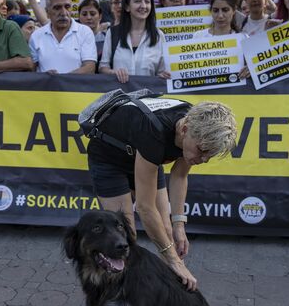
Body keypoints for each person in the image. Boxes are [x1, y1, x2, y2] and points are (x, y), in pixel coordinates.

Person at [85, 95, 237, 290]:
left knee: (166, 230)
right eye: (202, 150)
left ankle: (173, 292)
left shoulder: (195, 125)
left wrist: (179, 224)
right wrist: (175, 261)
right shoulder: (155, 133)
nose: (204, 159)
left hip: (144, 154)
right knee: (124, 235)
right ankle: (121, 295)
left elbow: (179, 177)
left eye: (209, 154)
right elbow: (145, 208)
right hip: (109, 159)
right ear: (184, 130)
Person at [99, 0, 169, 84]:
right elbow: (103, 67)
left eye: (147, 1)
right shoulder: (113, 33)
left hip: (149, 96)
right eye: (137, 1)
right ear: (127, 7)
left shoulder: (158, 35)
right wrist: (113, 72)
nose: (143, 6)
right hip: (120, 96)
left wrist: (163, 75)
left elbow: (162, 71)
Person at [28, 0, 97, 74]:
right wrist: (44, 76)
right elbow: (31, 70)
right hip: (46, 86)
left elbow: (89, 68)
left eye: (67, 7)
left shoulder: (85, 32)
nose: (64, 12)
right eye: (57, 8)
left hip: (76, 87)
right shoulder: (36, 36)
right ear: (47, 12)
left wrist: (61, 81)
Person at [78, 0, 106, 68]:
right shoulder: (73, 39)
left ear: (100, 16)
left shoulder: (107, 38)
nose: (89, 17)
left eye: (92, 14)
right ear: (79, 17)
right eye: (84, 14)